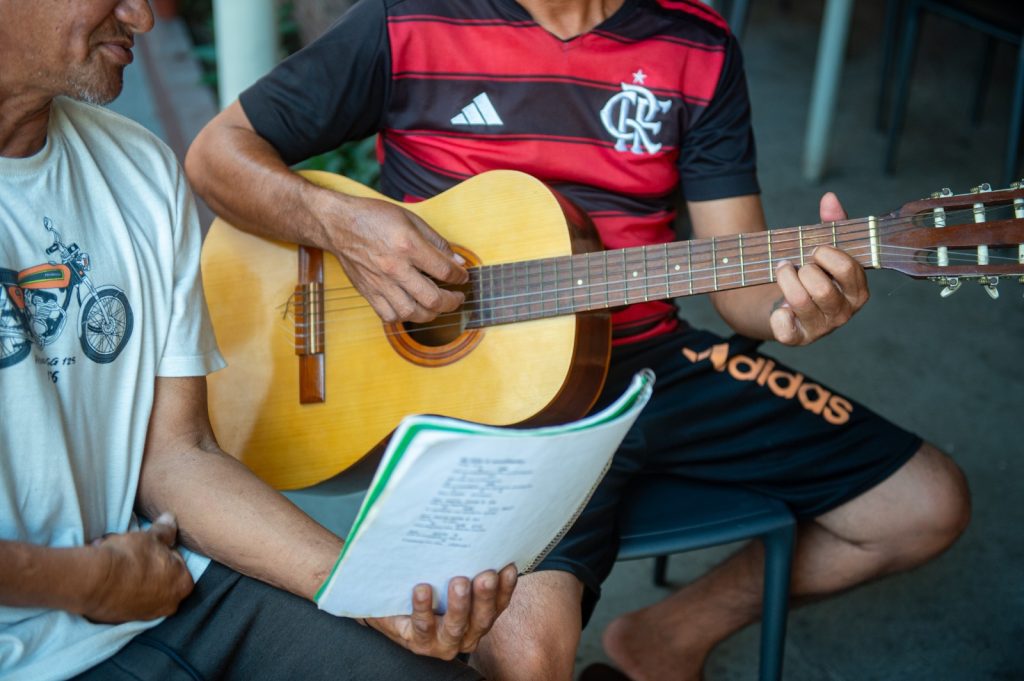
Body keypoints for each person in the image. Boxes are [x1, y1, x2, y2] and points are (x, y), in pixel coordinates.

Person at [185, 0, 972, 679]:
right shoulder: (408, 22)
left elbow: (744, 285)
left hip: (651, 358)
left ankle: (665, 635)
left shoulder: (697, 48)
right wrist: (345, 227)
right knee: (526, 659)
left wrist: (794, 310)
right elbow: (218, 153)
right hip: (487, 407)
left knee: (924, 504)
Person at [0, 2, 517, 680]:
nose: (143, 18)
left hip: (159, 591)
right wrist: (80, 581)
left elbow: (175, 457)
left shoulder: (138, 170)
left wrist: (365, 593)